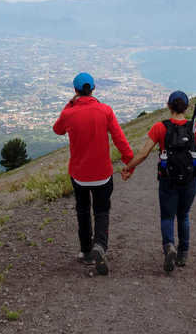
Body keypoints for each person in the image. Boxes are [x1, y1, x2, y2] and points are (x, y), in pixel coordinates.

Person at [121, 90, 196, 272]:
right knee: (183, 215)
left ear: (168, 106)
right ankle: (183, 253)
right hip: (190, 180)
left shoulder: (160, 127)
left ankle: (169, 246)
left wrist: (128, 167)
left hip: (168, 179)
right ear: (187, 108)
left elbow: (143, 154)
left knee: (167, 216)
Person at [52, 72, 133, 276]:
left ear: (75, 91)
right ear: (94, 89)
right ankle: (100, 246)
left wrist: (70, 104)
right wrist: (129, 161)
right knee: (102, 211)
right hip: (103, 174)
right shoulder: (105, 111)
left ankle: (86, 250)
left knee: (83, 211)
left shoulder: (69, 113)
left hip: (79, 174)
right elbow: (119, 138)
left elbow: (57, 129)